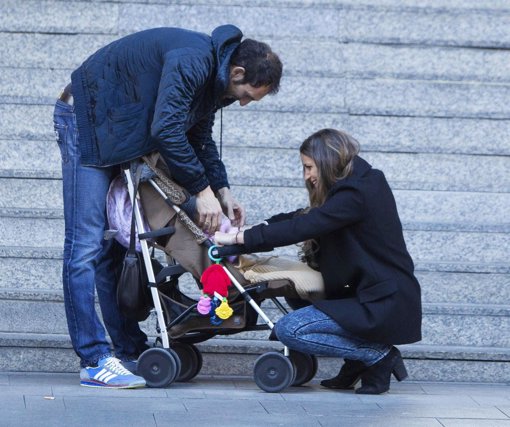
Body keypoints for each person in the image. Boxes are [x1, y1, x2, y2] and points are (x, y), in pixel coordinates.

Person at [53, 25, 282, 388]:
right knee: (85, 245)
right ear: (237, 73)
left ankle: (128, 350)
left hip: (121, 133)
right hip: (87, 122)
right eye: (247, 95)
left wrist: (221, 189)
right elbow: (167, 129)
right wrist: (200, 190)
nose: (243, 103)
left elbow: (198, 137)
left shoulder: (213, 81)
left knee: (114, 250)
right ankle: (94, 360)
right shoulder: (192, 60)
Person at [214, 128, 422, 395]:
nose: (307, 176)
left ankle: (376, 355)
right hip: (363, 294)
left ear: (327, 160)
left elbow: (306, 225)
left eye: (309, 167)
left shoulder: (358, 192)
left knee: (289, 329)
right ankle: (357, 361)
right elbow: (302, 217)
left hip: (380, 301)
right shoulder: (353, 187)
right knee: (297, 290)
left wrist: (242, 238)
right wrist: (254, 229)